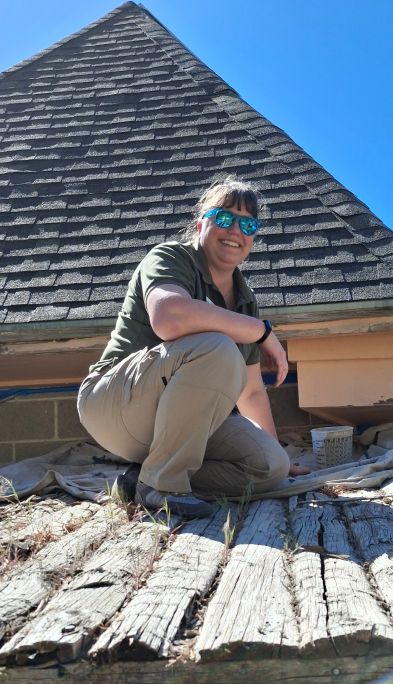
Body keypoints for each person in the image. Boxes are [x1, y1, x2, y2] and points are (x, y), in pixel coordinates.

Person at [77, 176, 307, 519]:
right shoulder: (170, 258)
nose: (235, 231)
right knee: (217, 347)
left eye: (248, 224)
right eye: (225, 218)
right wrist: (261, 331)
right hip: (114, 406)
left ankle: (142, 479)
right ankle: (163, 485)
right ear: (202, 223)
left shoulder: (245, 301)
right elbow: (168, 317)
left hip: (181, 427)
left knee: (269, 466)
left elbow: (252, 393)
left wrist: (281, 458)